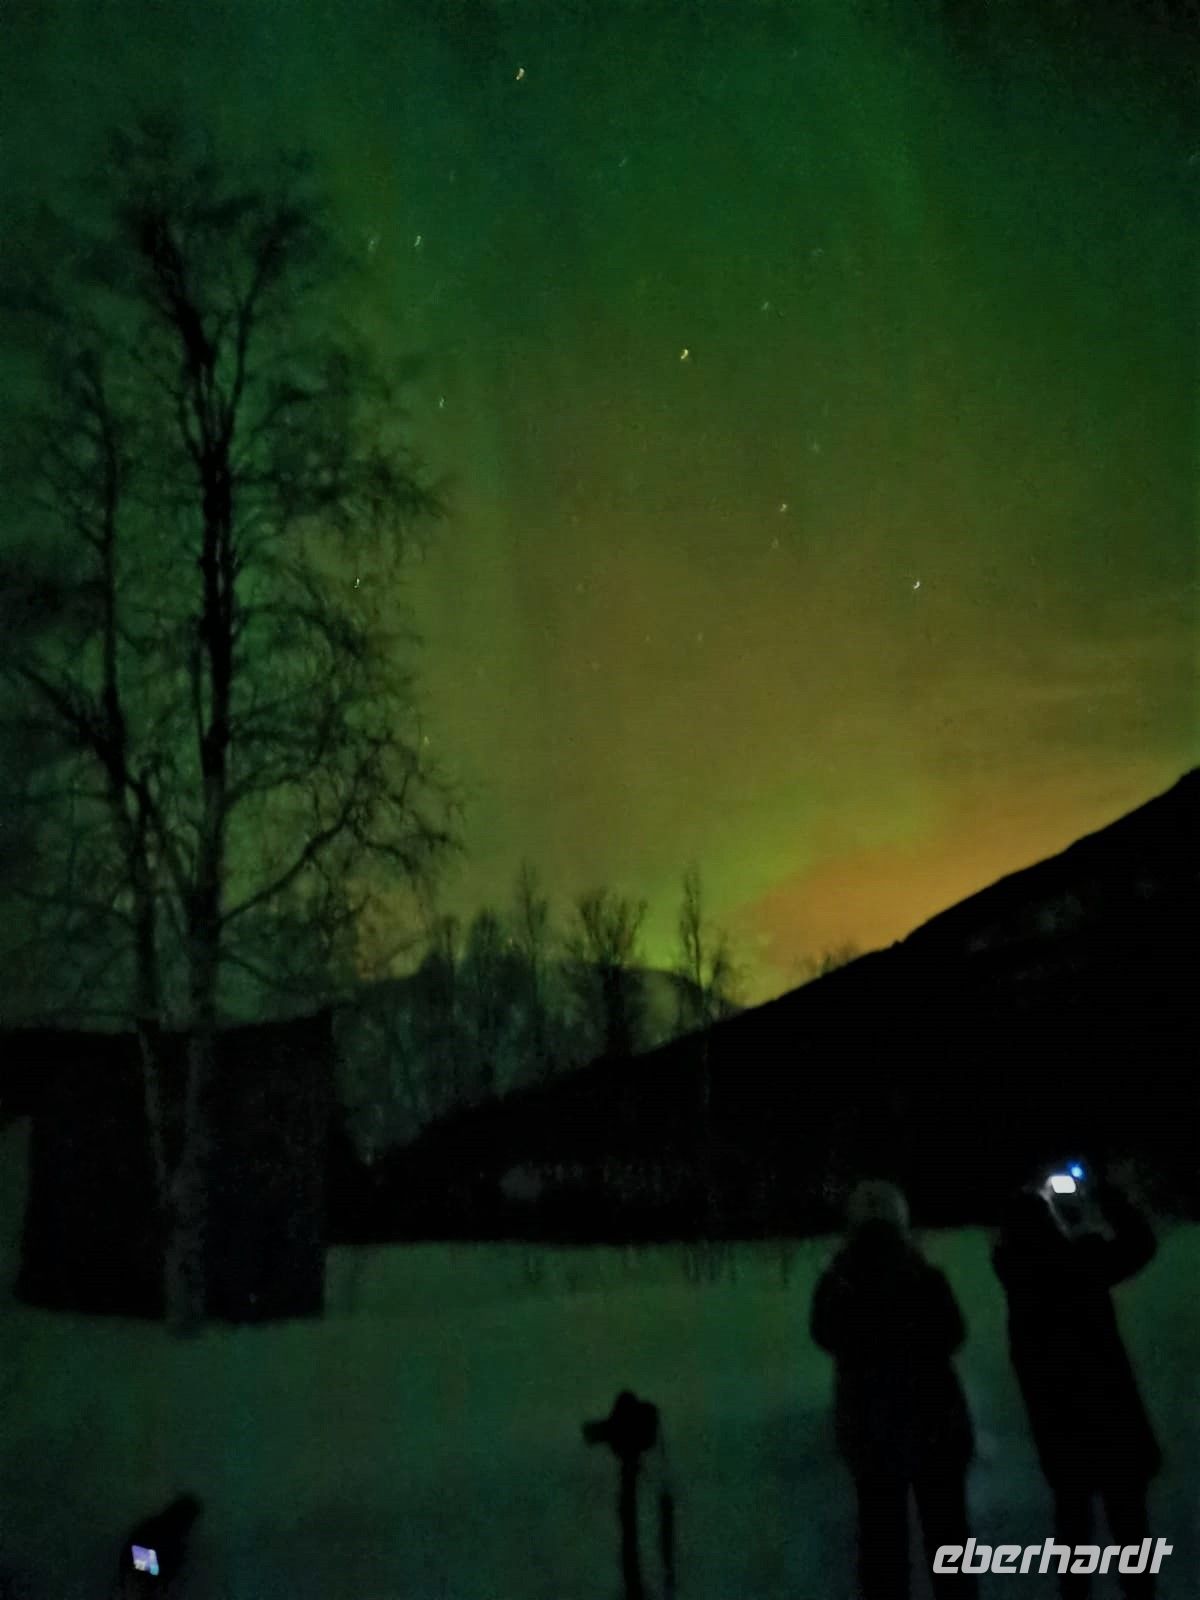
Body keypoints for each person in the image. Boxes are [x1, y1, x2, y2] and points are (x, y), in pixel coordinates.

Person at [993, 1167, 1161, 1599]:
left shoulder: (1020, 1284)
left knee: (1073, 1537)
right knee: (1132, 1543)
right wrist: (1104, 1194)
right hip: (1114, 1427)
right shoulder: (1080, 1265)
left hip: (1062, 1436)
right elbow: (1141, 1244)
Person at [811, 1179, 977, 1599]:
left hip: (872, 1435)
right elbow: (954, 1333)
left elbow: (824, 1333)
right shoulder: (922, 1273)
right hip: (936, 1426)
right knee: (950, 1544)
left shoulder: (840, 1279)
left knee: (882, 1548)